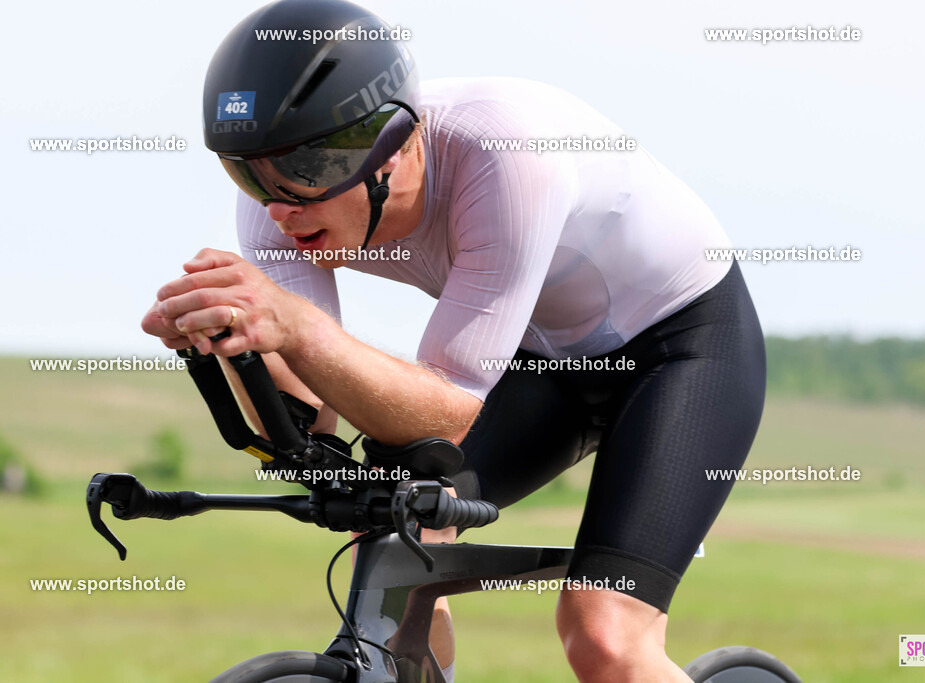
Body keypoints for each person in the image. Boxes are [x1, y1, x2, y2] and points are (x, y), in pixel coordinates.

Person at [142, 0, 767, 680]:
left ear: (396, 145)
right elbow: (310, 422)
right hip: (540, 359)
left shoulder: (506, 157)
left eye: (308, 166)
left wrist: (293, 325)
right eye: (247, 171)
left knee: (604, 634)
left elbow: (449, 413)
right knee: (390, 549)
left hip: (681, 347)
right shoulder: (280, 206)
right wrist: (232, 353)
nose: (279, 203)